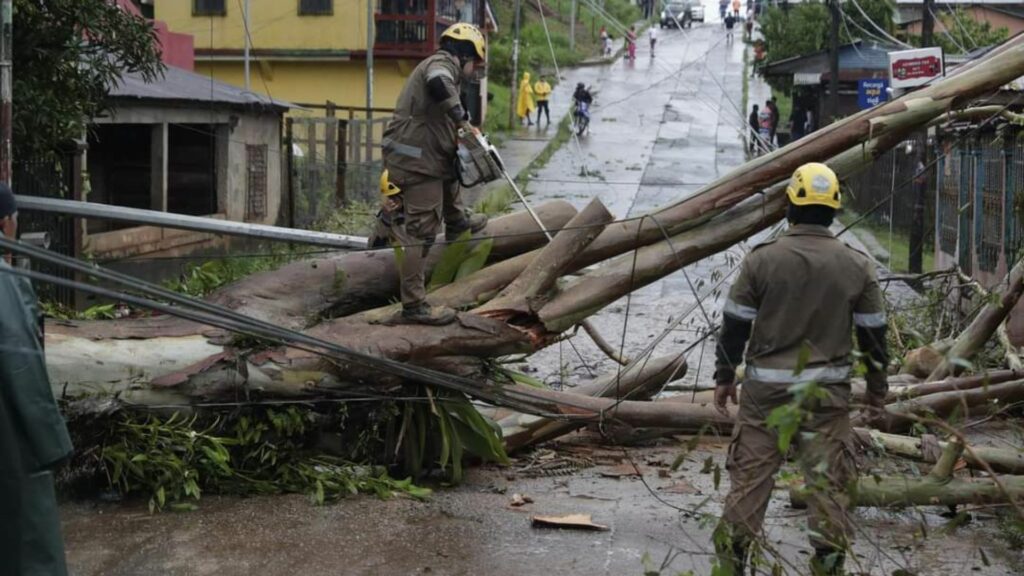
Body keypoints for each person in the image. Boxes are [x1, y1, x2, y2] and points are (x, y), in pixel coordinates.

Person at [712, 163, 889, 576]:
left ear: (789, 206)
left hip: (764, 400)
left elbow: (735, 324)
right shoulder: (857, 266)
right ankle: (828, 568)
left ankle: (731, 566)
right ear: (834, 211)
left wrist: (724, 377)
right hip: (826, 400)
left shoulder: (762, 261)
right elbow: (874, 338)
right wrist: (878, 392)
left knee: (750, 483)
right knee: (828, 487)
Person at [379, 23, 489, 325]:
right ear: (464, 54)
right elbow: (438, 81)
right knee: (421, 233)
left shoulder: (447, 68)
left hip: (429, 157)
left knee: (450, 177)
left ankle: (458, 222)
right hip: (415, 162)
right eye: (474, 63)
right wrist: (462, 119)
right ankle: (413, 307)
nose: (473, 70)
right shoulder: (441, 65)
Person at [0, 184, 75, 576]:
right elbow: (21, 366)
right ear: (5, 223)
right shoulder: (5, 283)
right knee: (28, 546)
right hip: (11, 439)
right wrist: (54, 443)